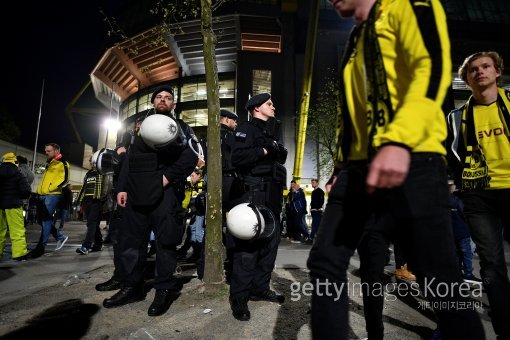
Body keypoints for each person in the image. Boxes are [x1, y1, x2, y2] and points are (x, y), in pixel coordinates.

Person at [307, 0, 485, 339]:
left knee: (439, 277)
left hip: (413, 157)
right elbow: (355, 110)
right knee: (325, 261)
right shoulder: (356, 37)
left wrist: (399, 142)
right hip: (360, 170)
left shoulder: (410, 5)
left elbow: (430, 67)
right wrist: (342, 164)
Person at [103, 85, 199, 317]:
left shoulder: (183, 129)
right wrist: (121, 188)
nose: (163, 100)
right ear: (153, 102)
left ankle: (163, 289)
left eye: (168, 98)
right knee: (131, 243)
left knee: (166, 244)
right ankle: (132, 287)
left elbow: (191, 157)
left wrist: (167, 177)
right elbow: (129, 160)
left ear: (174, 105)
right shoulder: (141, 130)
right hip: (135, 193)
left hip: (165, 195)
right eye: (159, 97)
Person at [446, 51, 510, 339]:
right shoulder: (456, 117)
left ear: (497, 72)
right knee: (492, 265)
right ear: (466, 78)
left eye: (486, 66)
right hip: (479, 197)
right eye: (473, 69)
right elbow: (448, 156)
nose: (480, 72)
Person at [228, 93, 287, 321]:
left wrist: (272, 149)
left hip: (272, 196)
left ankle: (259, 288)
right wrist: (264, 151)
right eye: (269, 104)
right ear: (256, 108)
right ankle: (239, 298)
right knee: (248, 249)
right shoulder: (247, 129)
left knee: (269, 247)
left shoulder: (269, 132)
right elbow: (238, 158)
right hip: (254, 194)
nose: (273, 106)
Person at [30, 143, 70, 258]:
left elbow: (65, 180)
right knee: (40, 220)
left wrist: (51, 189)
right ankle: (60, 237)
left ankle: (41, 246)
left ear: (56, 151)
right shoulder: (50, 163)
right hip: (42, 195)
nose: (46, 153)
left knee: (46, 220)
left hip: (52, 195)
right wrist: (38, 191)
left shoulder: (63, 163)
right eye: (46, 151)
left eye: (48, 151)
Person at [447, 180, 480, 284]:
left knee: (456, 253)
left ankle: (456, 272)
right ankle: (468, 274)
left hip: (451, 231)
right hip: (463, 231)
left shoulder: (443, 199)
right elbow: (465, 215)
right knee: (466, 253)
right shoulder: (457, 200)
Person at [0, 153, 31, 261]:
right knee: (17, 230)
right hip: (14, 205)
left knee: (0, 230)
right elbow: (26, 191)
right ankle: (19, 254)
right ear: (14, 161)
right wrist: (19, 197)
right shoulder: (18, 173)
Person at [74, 157, 109, 254]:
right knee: (92, 224)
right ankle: (98, 244)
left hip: (96, 201)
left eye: (92, 161)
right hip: (87, 201)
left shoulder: (102, 173)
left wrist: (104, 202)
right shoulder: (88, 173)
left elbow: (106, 188)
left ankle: (86, 246)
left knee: (92, 223)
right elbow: (83, 187)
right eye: (90, 161)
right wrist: (78, 201)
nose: (91, 163)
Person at [219, 108, 238, 283]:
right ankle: (231, 261)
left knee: (216, 223)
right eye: (234, 121)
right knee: (233, 222)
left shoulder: (209, 137)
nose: (235, 124)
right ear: (227, 120)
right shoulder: (231, 137)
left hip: (215, 184)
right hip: (230, 182)